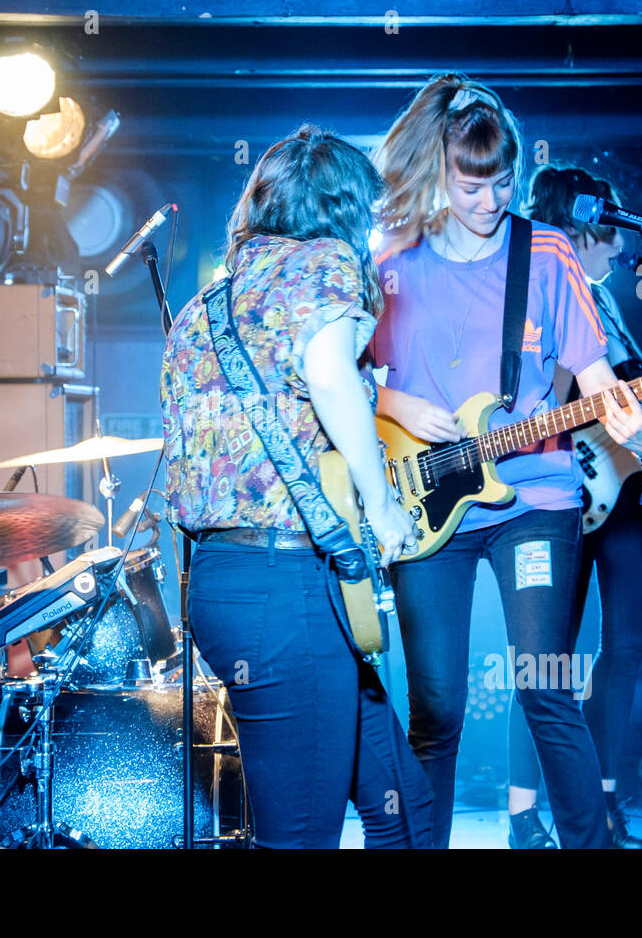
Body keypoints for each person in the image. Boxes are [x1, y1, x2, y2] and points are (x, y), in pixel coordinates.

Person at [371, 75, 642, 849]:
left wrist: (634, 422)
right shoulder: (394, 259)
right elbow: (351, 380)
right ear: (440, 170)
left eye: (502, 182)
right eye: (472, 185)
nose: (489, 199)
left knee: (546, 691)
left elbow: (595, 378)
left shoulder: (547, 251)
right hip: (427, 496)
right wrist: (399, 409)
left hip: (536, 496)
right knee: (436, 707)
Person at [161, 124, 434, 848]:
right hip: (285, 589)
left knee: (405, 805)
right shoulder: (325, 262)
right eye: (369, 216)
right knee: (301, 837)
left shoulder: (208, 306)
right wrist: (381, 506)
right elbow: (329, 375)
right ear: (345, 211)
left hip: (226, 583)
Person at [502, 164, 642, 848]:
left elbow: (622, 393)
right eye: (610, 225)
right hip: (562, 489)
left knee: (623, 650)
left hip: (627, 493)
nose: (620, 243)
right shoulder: (544, 282)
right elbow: (545, 397)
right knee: (546, 660)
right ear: (581, 226)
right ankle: (520, 814)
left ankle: (603, 803)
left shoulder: (606, 298)